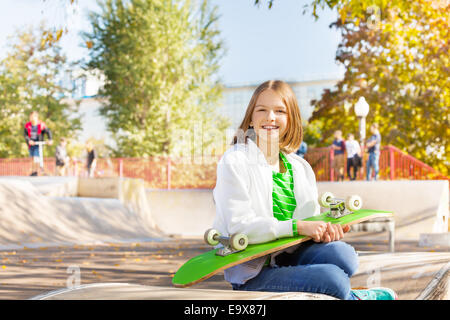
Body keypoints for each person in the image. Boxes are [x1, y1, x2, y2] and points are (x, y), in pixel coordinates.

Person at [212, 80, 397, 300]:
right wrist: (298, 226)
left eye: (280, 111)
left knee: (345, 256)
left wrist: (325, 232)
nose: (270, 117)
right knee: (334, 280)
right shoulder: (235, 161)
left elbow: (309, 222)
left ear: (290, 120)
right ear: (251, 118)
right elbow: (239, 227)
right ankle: (352, 297)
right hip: (253, 271)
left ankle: (347, 294)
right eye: (262, 110)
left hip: (288, 255)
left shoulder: (300, 167)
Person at [24, 111, 53, 176]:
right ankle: (33, 170)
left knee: (36, 157)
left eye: (33, 116)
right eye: (30, 116)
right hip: (31, 144)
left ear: (36, 117)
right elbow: (25, 135)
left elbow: (48, 131)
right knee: (32, 158)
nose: (31, 118)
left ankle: (36, 171)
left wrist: (50, 139)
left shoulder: (41, 125)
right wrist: (29, 140)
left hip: (38, 144)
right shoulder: (28, 125)